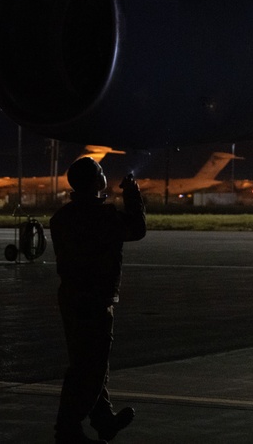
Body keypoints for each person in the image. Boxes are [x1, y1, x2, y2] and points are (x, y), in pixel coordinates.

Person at [50, 157, 147, 443]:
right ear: (97, 182)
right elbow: (137, 229)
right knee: (89, 368)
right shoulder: (103, 216)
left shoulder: (62, 217)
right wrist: (132, 194)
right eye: (101, 173)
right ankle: (67, 428)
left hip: (71, 297)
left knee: (89, 361)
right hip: (95, 299)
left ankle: (103, 418)